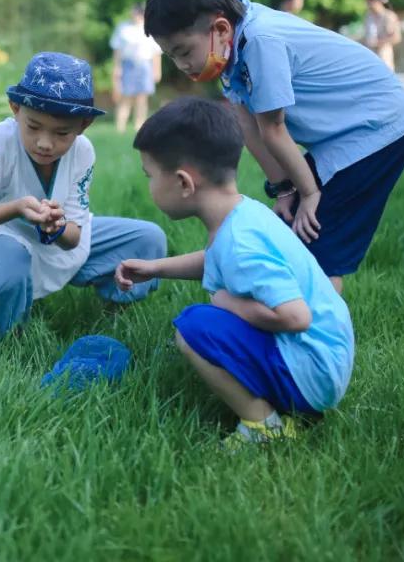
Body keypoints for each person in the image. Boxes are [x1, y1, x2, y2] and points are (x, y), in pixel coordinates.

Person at [142, 0, 404, 295]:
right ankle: (286, 309)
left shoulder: (260, 41)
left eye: (185, 52)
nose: (182, 65)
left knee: (316, 242)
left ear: (220, 28)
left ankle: (319, 321)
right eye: (172, 56)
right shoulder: (229, 45)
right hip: (342, 136)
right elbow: (247, 124)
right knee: (290, 230)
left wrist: (310, 193)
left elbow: (272, 128)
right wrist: (286, 189)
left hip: (377, 127)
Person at [115, 97, 353, 450]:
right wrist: (155, 268)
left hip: (313, 373)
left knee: (193, 327)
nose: (149, 186)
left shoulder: (241, 244)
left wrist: (228, 303)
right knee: (208, 324)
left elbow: (296, 316)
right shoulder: (244, 214)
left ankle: (262, 425)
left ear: (183, 183)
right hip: (322, 361)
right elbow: (216, 259)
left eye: (150, 176)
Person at [0, 51, 167, 344]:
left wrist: (57, 227)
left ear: (83, 125)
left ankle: (113, 318)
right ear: (15, 109)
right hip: (2, 230)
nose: (45, 143)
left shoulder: (83, 151)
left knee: (148, 238)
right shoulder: (1, 139)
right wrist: (17, 208)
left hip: (53, 236)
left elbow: (74, 237)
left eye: (62, 133)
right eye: (33, 127)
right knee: (12, 261)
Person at [110, 4, 163, 133]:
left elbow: (156, 52)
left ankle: (139, 125)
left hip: (145, 65)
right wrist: (117, 68)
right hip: (128, 64)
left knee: (142, 98)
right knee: (126, 97)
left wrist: (157, 70)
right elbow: (117, 50)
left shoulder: (150, 29)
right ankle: (120, 126)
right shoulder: (123, 28)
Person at [364, 0, 402, 71]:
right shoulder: (368, 17)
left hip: (384, 57)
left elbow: (397, 37)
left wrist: (378, 43)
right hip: (370, 57)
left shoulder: (389, 16)